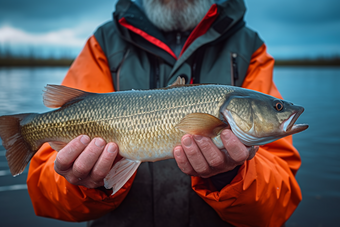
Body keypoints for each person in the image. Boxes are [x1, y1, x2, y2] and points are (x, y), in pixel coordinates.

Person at [27, 0, 302, 226]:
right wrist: (87, 185)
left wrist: (229, 177)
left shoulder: (249, 47)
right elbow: (46, 191)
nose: (281, 111)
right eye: (278, 108)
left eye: (276, 107)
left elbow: (276, 204)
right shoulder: (103, 43)